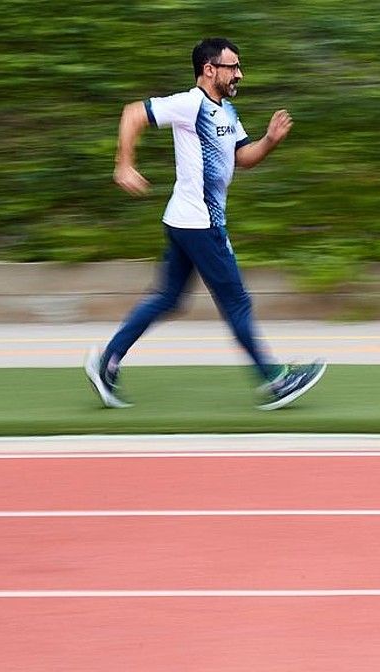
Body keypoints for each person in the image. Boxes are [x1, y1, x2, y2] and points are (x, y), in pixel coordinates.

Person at [86, 37, 324, 410]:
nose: (240, 74)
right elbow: (133, 113)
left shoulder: (226, 112)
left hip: (184, 220)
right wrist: (124, 163)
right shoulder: (190, 104)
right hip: (200, 223)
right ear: (209, 69)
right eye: (233, 67)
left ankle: (107, 363)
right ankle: (275, 381)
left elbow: (243, 157)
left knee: (168, 298)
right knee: (236, 303)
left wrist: (270, 140)